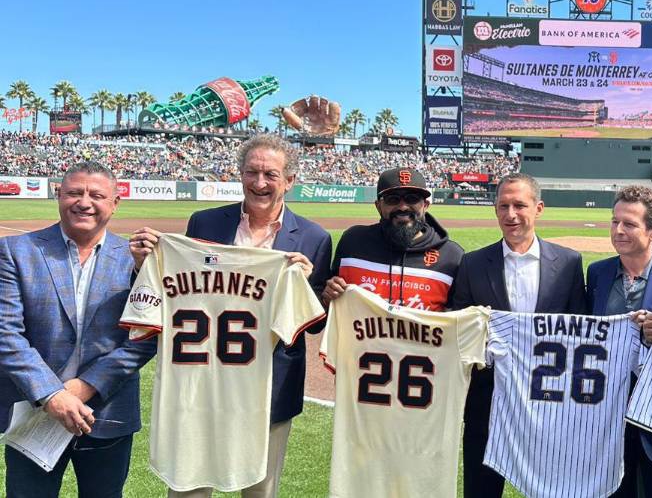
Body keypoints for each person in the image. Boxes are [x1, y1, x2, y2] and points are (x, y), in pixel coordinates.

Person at [130, 134, 331, 498]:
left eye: (270, 174)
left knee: (259, 491)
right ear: (239, 175)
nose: (259, 183)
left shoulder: (314, 237)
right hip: (202, 379)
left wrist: (302, 285)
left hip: (270, 386)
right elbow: (178, 291)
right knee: (189, 485)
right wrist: (145, 264)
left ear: (289, 181)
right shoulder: (204, 223)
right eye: (251, 172)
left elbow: (314, 322)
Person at [0, 161, 157, 497]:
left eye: (97, 195)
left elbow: (144, 338)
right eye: (74, 192)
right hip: (34, 411)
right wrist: (52, 395)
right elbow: (5, 333)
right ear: (59, 195)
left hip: (108, 412)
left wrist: (84, 388)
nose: (84, 202)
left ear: (115, 203)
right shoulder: (16, 251)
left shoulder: (140, 260)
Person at [450, 172, 587, 498]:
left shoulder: (568, 263)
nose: (511, 215)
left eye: (519, 205)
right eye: (503, 206)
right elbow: (457, 328)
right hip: (488, 403)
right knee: (481, 491)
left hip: (549, 402)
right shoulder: (471, 264)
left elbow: (580, 332)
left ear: (538, 208)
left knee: (552, 491)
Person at [585, 184, 652, 498]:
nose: (618, 230)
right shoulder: (597, 274)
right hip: (605, 416)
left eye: (629, 224)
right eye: (614, 221)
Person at [320, 167, 463, 310]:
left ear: (425, 205)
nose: (402, 207)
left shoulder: (451, 256)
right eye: (392, 200)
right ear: (378, 206)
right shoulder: (353, 242)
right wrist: (327, 298)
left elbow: (458, 323)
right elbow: (329, 305)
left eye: (412, 199)